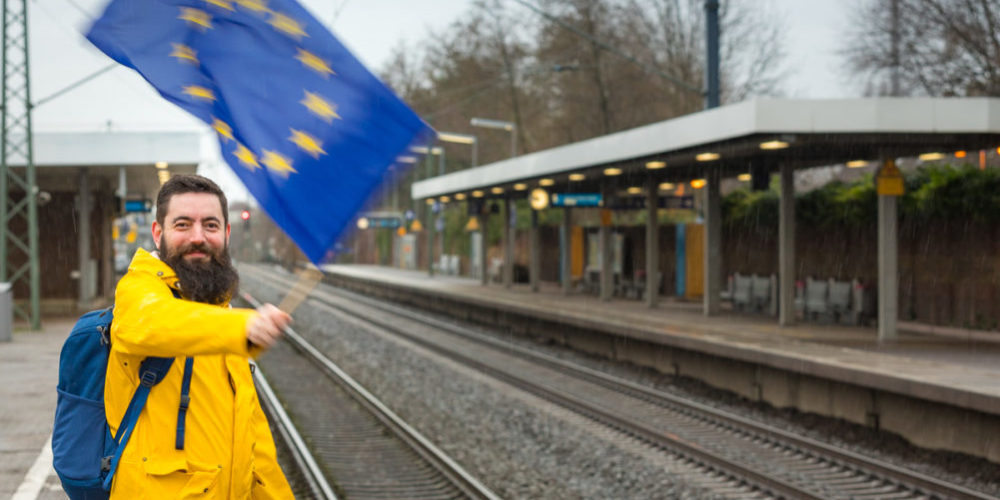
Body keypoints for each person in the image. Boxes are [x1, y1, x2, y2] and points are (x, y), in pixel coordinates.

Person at [106, 174, 294, 499]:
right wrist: (242, 328)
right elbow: (153, 322)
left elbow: (253, 439)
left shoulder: (221, 311)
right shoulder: (138, 291)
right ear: (158, 232)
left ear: (226, 233)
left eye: (210, 225)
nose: (198, 237)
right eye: (182, 225)